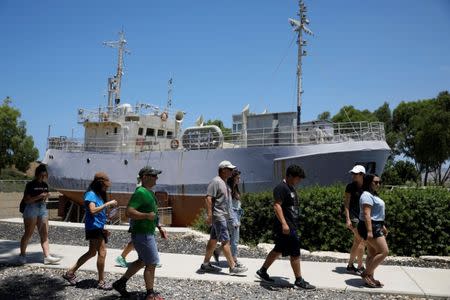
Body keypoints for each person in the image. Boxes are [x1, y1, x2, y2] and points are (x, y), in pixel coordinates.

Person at [256, 164, 315, 290]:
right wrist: (284, 224)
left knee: (278, 249)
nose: (299, 181)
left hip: (290, 225)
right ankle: (299, 280)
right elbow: (277, 206)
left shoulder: (291, 188)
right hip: (286, 227)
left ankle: (262, 271)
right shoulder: (281, 188)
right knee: (295, 252)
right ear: (289, 176)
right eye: (297, 178)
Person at [112, 166, 168, 300]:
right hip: (142, 234)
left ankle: (120, 283)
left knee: (143, 261)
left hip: (146, 233)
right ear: (145, 177)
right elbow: (129, 212)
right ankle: (150, 293)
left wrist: (159, 226)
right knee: (152, 263)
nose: (157, 178)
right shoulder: (140, 192)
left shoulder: (150, 193)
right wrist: (146, 216)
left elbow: (153, 214)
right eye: (154, 176)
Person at [62, 172, 118, 290]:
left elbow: (98, 214)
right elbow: (92, 211)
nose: (107, 187)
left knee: (92, 252)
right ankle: (101, 282)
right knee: (102, 253)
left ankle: (70, 273)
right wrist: (107, 204)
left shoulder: (97, 195)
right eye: (105, 185)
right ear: (99, 183)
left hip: (97, 227)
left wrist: (104, 226)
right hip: (93, 227)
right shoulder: (91, 194)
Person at [200, 160, 247, 275]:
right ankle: (232, 267)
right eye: (230, 169)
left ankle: (205, 264)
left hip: (223, 216)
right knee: (226, 241)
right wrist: (210, 215)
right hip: (219, 216)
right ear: (223, 170)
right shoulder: (216, 182)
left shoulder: (224, 183)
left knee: (213, 240)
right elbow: (208, 198)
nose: (232, 171)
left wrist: (231, 218)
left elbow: (228, 203)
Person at [19, 164, 61, 265]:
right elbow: (27, 200)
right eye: (41, 176)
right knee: (28, 233)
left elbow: (43, 198)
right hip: (31, 208)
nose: (43, 178)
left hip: (42, 208)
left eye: (44, 176)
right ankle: (22, 255)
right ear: (37, 174)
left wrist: (45, 196)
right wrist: (39, 196)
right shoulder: (30, 185)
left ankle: (47, 256)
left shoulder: (45, 185)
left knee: (44, 234)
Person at [357, 174, 388, 288]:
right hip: (370, 226)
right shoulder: (366, 195)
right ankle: (366, 274)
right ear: (369, 182)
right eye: (375, 182)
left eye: (379, 182)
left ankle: (370, 278)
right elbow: (366, 214)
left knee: (372, 253)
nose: (378, 184)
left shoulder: (372, 195)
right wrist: (370, 231)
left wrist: (382, 225)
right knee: (384, 252)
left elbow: (376, 213)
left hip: (376, 225)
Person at [213, 169, 245, 268]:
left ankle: (217, 251)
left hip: (237, 214)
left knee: (231, 239)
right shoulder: (229, 189)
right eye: (237, 178)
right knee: (235, 239)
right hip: (232, 215)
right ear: (233, 178)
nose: (239, 179)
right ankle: (234, 260)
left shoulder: (235, 188)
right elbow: (229, 206)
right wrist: (234, 219)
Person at [344, 165, 366, 275]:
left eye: (355, 174)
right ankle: (360, 266)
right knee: (362, 240)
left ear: (362, 175)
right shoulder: (350, 187)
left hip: (364, 218)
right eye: (352, 173)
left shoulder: (368, 187)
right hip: (354, 217)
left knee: (357, 242)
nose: (353, 175)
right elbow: (346, 204)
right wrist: (348, 219)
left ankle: (350, 265)